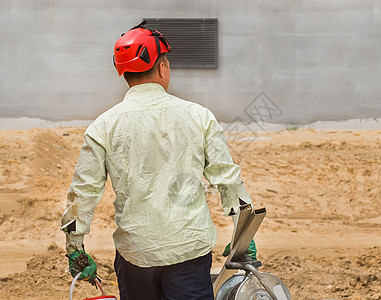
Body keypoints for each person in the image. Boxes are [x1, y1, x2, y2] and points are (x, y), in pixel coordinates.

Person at [61, 21, 256, 300]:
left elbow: (82, 192)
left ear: (123, 73)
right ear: (163, 68)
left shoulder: (103, 126)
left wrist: (75, 249)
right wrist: (244, 236)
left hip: (135, 254)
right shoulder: (199, 117)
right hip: (188, 250)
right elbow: (227, 179)